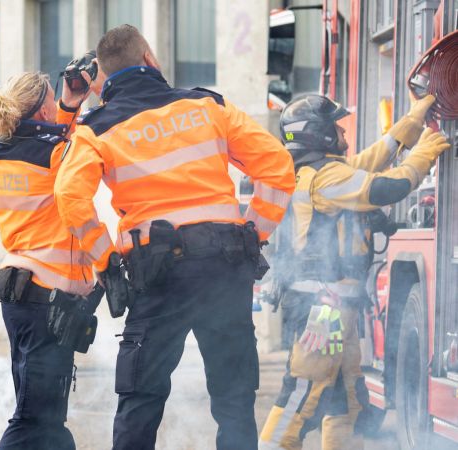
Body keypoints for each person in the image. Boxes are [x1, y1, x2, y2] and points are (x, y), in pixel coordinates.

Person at [54, 25, 296, 450]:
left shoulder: (96, 128)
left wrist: (106, 262)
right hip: (224, 267)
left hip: (157, 276)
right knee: (234, 399)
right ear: (150, 58)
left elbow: (70, 195)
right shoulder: (207, 104)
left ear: (101, 81)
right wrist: (252, 233)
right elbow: (277, 167)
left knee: (141, 398)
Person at [258, 94, 449, 450]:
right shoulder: (326, 178)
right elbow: (385, 186)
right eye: (335, 126)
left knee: (344, 399)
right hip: (323, 309)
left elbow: (371, 159)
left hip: (330, 308)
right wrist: (423, 155)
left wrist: (411, 122)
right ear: (319, 134)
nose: (342, 133)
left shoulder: (319, 172)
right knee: (304, 391)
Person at [0, 64, 104, 450]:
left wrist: (68, 103)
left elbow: (53, 142)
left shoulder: (2, 150)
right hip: (45, 303)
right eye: (53, 99)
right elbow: (76, 145)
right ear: (41, 110)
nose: (57, 105)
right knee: (32, 420)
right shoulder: (54, 154)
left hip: (20, 296)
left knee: (49, 424)